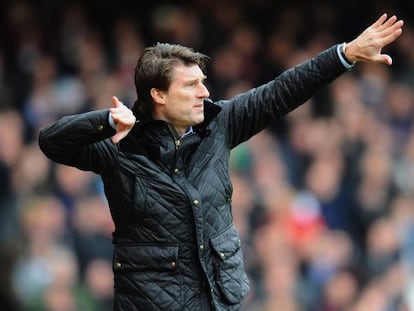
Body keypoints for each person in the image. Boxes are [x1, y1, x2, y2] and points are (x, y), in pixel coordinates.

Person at [38, 14, 403, 311]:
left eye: (204, 82)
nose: (205, 93)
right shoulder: (117, 146)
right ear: (158, 94)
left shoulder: (220, 123)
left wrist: (346, 54)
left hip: (220, 302)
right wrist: (106, 121)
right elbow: (51, 141)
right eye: (191, 85)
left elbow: (285, 90)